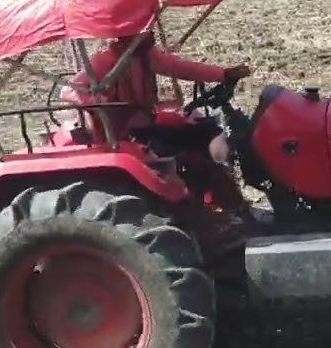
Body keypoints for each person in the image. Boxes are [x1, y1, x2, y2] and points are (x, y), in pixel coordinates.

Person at [62, 32, 252, 214]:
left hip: (148, 127)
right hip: (124, 134)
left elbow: (180, 68)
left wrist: (223, 74)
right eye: (143, 31)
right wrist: (101, 103)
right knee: (179, 154)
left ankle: (232, 207)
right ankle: (191, 208)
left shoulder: (146, 56)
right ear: (126, 36)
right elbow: (68, 91)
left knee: (205, 132)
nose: (149, 35)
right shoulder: (103, 62)